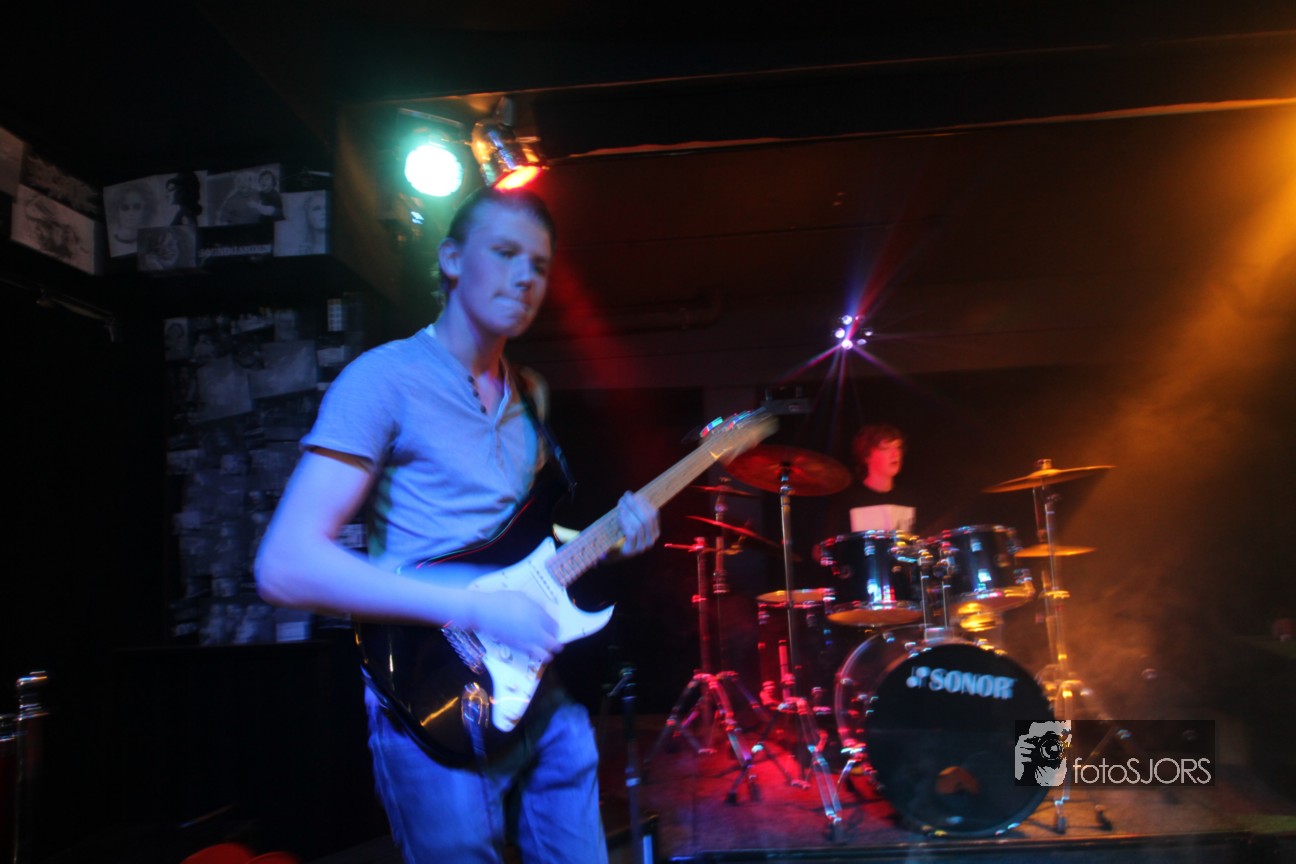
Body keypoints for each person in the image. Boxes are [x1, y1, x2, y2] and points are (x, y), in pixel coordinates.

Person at [254, 187, 660, 863]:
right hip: (433, 690)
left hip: (539, 686)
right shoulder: (382, 380)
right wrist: (475, 607)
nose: (525, 277)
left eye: (539, 264)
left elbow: (525, 546)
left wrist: (609, 541)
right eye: (504, 253)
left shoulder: (530, 394)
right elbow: (285, 565)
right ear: (450, 259)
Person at [840, 422, 915, 534]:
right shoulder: (848, 501)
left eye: (897, 447)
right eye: (886, 448)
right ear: (867, 456)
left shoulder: (908, 499)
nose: (896, 453)